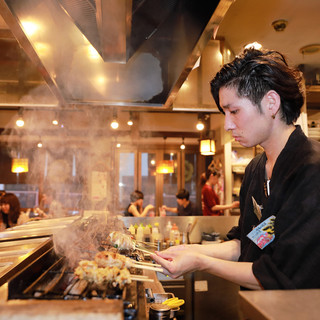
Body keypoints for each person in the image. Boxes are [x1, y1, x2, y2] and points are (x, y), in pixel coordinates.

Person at [151, 48, 320, 290]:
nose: (228, 124)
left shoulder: (311, 170)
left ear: (271, 103)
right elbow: (247, 243)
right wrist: (191, 249)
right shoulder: (255, 169)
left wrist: (201, 261)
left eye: (234, 111)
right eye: (225, 113)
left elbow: (281, 275)